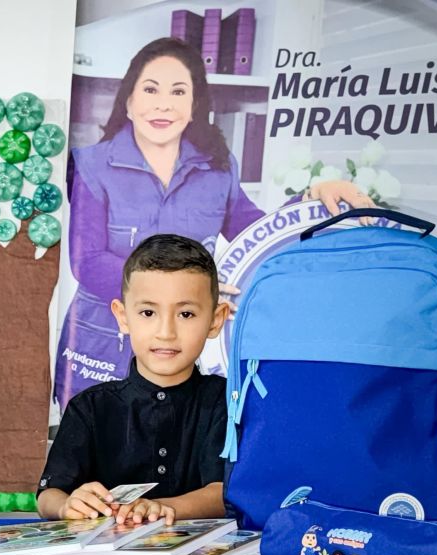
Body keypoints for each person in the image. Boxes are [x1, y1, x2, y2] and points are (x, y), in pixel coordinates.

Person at [54, 36, 373, 408]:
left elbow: (255, 233)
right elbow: (87, 261)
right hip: (103, 342)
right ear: (129, 101)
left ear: (193, 107)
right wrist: (184, 288)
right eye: (151, 89)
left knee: (172, 455)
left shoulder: (218, 168)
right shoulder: (91, 164)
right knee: (96, 457)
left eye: (178, 92)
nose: (163, 104)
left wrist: (310, 198)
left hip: (182, 348)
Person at [38, 234, 230, 525]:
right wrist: (68, 505)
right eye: (148, 312)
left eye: (186, 313)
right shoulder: (89, 407)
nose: (166, 331)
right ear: (122, 316)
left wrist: (159, 507)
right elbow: (48, 495)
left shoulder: (225, 401)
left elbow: (223, 492)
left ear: (215, 320)